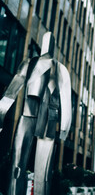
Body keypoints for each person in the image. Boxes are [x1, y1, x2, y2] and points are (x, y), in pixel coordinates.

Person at [0, 32, 72, 195]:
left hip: (48, 120)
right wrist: (1, 115)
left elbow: (66, 98)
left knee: (43, 173)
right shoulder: (30, 64)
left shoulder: (60, 69)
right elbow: (12, 91)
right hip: (28, 116)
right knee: (17, 166)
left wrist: (64, 128)